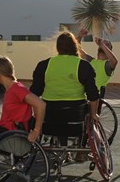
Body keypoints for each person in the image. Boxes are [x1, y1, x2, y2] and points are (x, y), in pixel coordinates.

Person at [30, 31, 100, 161]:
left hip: (49, 118)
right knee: (87, 113)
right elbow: (93, 95)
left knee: (58, 111)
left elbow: (34, 92)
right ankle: (81, 148)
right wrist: (94, 114)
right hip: (76, 117)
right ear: (75, 47)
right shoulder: (83, 65)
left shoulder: (44, 65)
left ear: (57, 48)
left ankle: (62, 149)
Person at [76, 28, 119, 98]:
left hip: (95, 98)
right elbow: (78, 49)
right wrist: (80, 36)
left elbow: (114, 61)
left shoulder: (107, 65)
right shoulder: (92, 61)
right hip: (83, 95)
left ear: (109, 50)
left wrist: (102, 45)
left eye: (107, 44)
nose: (104, 43)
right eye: (104, 42)